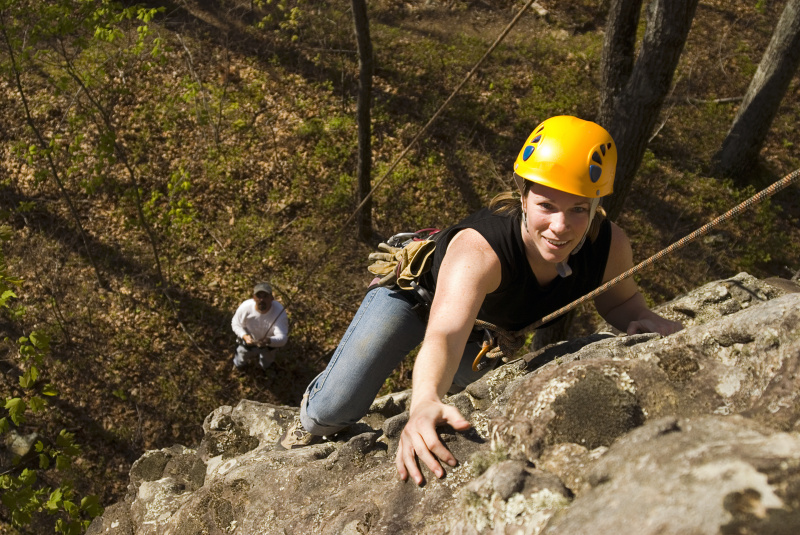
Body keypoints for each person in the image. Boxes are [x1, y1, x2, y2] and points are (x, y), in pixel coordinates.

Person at [276, 116, 683, 486]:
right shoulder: (480, 250)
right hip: (414, 300)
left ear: (597, 206)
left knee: (480, 402)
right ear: (523, 197)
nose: (561, 227)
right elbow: (444, 334)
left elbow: (620, 304)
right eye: (546, 205)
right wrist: (423, 405)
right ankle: (311, 416)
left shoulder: (608, 247)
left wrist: (646, 318)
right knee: (333, 408)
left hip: (481, 334)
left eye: (578, 209)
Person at [231, 282, 289, 371]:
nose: (262, 300)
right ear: (254, 298)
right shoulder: (245, 307)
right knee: (241, 356)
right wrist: (244, 336)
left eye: (265, 296)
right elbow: (236, 324)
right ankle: (239, 367)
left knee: (267, 360)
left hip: (268, 345)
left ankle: (265, 370)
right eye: (258, 296)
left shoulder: (279, 312)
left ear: (271, 298)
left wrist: (269, 340)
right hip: (247, 343)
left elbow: (283, 338)